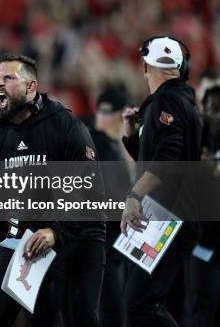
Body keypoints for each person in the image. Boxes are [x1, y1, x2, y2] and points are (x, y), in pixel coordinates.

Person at [0, 53, 105, 327]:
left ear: (31, 87)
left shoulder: (65, 126)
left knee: (76, 319)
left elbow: (90, 192)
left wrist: (56, 231)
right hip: (23, 237)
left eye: (8, 78)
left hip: (76, 235)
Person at [120, 36, 203, 327]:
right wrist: (134, 136)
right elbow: (159, 159)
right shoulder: (185, 102)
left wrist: (132, 197)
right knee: (147, 303)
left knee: (139, 305)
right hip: (174, 218)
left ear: (144, 65)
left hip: (166, 219)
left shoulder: (165, 101)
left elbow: (166, 161)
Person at [89, 86, 132, 327]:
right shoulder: (102, 145)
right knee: (111, 310)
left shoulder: (111, 144)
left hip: (112, 240)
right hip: (105, 240)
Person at [187, 85, 220, 327]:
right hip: (202, 245)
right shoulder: (194, 145)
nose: (214, 114)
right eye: (210, 108)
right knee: (200, 306)